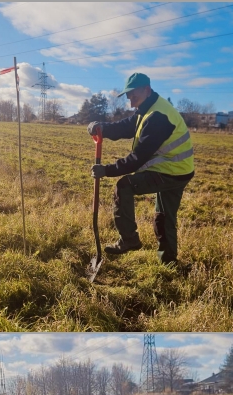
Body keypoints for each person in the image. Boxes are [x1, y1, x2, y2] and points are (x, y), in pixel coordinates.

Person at [87, 72, 194, 265]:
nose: (129, 99)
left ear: (147, 89)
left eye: (133, 94)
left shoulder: (158, 116)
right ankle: (169, 263)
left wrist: (107, 170)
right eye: (127, 95)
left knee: (124, 186)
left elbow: (137, 159)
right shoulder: (148, 108)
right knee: (164, 217)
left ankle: (129, 240)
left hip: (172, 171)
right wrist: (101, 127)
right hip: (179, 169)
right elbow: (127, 126)